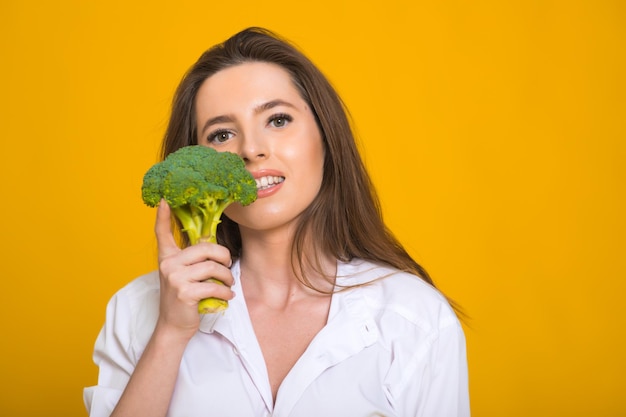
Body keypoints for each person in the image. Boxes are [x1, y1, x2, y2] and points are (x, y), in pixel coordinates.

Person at [84, 27, 470, 417]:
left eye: (278, 119)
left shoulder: (414, 319)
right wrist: (169, 334)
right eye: (221, 134)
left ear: (325, 135)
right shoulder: (137, 312)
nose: (251, 149)